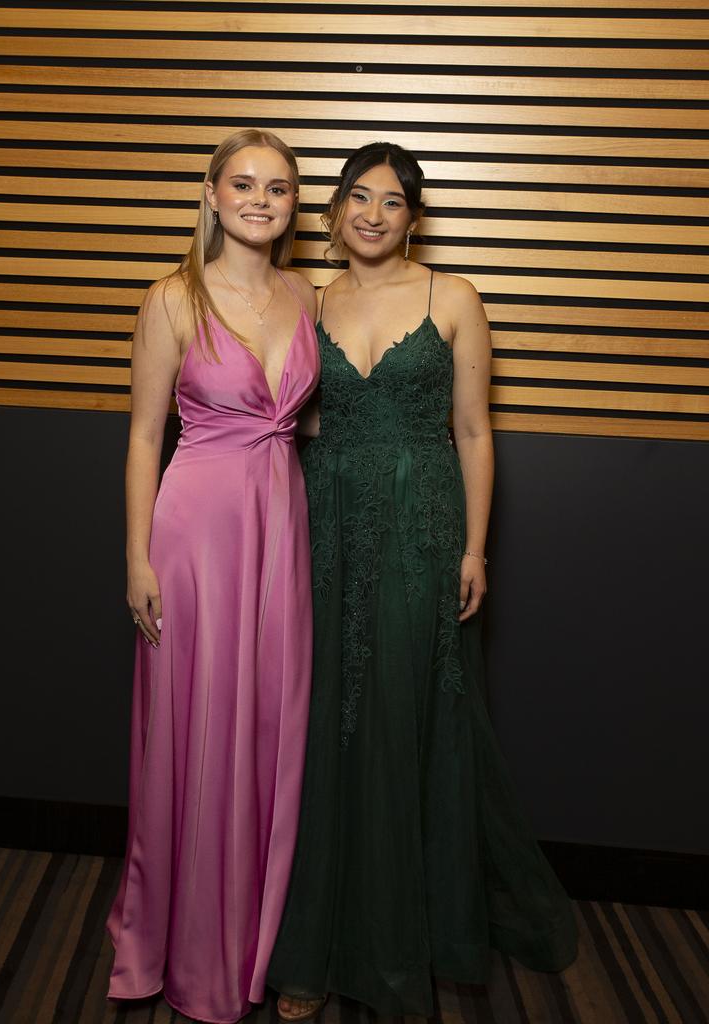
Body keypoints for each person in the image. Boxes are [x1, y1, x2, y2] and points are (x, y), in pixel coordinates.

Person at [268, 142, 578, 1020]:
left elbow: (475, 433)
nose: (373, 214)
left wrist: (476, 550)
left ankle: (417, 932)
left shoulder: (455, 297)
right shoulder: (309, 301)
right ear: (332, 210)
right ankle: (314, 949)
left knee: (413, 718)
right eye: (358, 198)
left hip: (424, 527)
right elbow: (293, 421)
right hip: (327, 522)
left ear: (414, 215)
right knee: (329, 720)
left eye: (392, 202)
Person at [106, 129, 319, 1023]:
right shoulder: (172, 298)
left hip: (282, 525)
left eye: (278, 187)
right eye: (244, 183)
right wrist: (136, 556)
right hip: (195, 532)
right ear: (212, 192)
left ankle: (253, 938)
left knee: (271, 725)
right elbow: (144, 437)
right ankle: (176, 946)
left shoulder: (308, 294)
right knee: (196, 729)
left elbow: (310, 427)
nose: (261, 200)